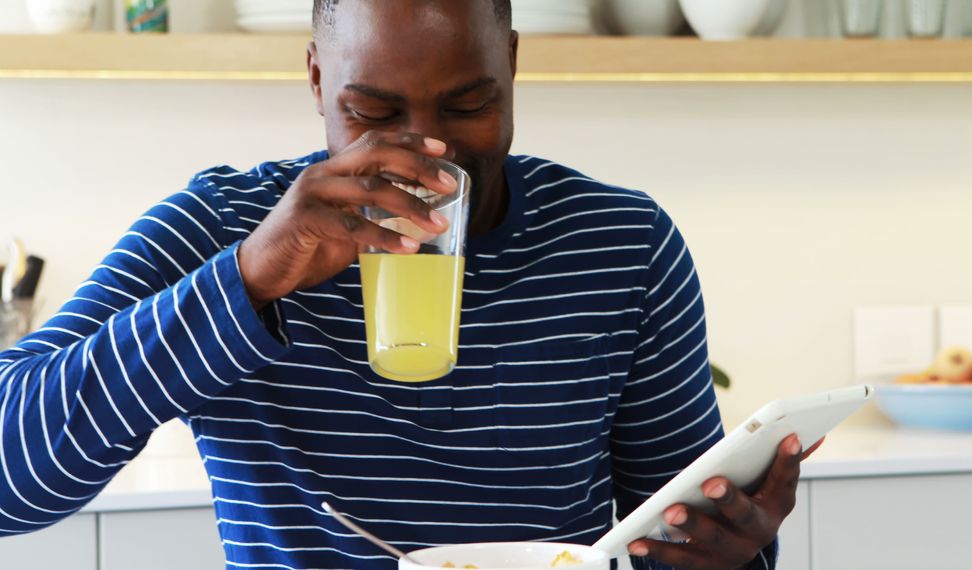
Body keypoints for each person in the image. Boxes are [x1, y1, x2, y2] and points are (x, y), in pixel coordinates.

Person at [0, 1, 810, 568]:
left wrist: (725, 552)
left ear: (514, 65)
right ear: (317, 81)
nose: (430, 152)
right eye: (373, 111)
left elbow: (670, 540)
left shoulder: (623, 245)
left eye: (470, 104)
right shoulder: (225, 228)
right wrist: (248, 282)